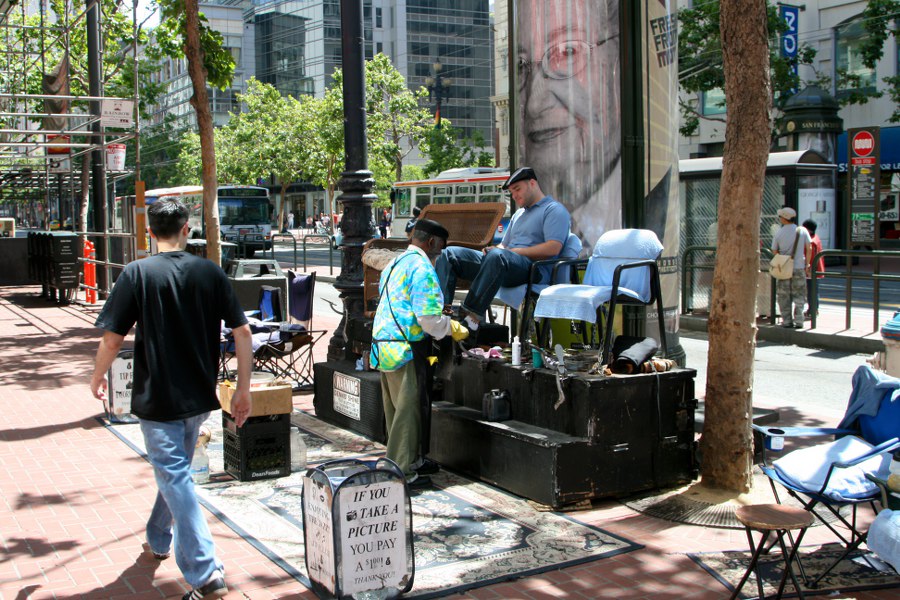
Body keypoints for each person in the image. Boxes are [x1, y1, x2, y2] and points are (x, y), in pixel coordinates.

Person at [90, 199, 253, 600]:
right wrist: (244, 390)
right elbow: (243, 333)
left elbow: (113, 338)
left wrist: (96, 376)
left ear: (151, 233)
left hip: (158, 397)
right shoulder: (209, 272)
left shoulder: (136, 274)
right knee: (174, 472)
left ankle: (205, 572)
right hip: (199, 394)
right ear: (186, 228)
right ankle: (158, 538)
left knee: (174, 475)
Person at [369, 219, 469, 487]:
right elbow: (428, 319)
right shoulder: (422, 268)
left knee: (395, 410)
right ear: (433, 242)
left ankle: (409, 460)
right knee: (408, 412)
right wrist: (453, 328)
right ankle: (402, 471)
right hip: (405, 348)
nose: (441, 253)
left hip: (384, 343)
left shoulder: (396, 263)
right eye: (441, 247)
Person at [517, 0, 621, 247]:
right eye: (521, 65)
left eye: (567, 51)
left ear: (619, 55)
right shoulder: (525, 216)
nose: (533, 104)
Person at [435, 167, 571, 331]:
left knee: (498, 257)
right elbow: (504, 246)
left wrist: (511, 252)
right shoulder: (519, 214)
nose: (514, 196)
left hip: (533, 269)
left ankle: (470, 317)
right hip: (503, 262)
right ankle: (441, 314)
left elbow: (553, 248)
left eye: (517, 189)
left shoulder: (553, 210)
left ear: (533, 183)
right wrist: (493, 248)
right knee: (449, 254)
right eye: (511, 193)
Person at [772, 206, 812, 329]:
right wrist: (808, 264)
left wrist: (783, 258)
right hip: (799, 267)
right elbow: (809, 248)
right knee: (800, 293)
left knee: (784, 295)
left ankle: (787, 321)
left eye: (781, 217)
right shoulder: (802, 230)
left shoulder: (779, 232)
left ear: (784, 218)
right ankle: (799, 320)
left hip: (784, 268)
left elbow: (774, 250)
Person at [803, 218, 824, 318]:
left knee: (812, 291)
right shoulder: (816, 238)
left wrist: (808, 268)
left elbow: (811, 256)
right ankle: (813, 310)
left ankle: (812, 311)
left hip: (812, 269)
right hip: (817, 268)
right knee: (814, 290)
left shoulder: (811, 241)